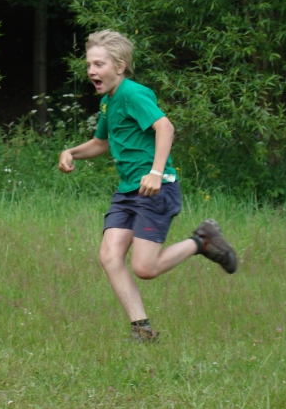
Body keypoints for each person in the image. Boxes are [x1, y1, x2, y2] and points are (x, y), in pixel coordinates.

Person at [58, 30, 238, 342]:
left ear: (120, 66)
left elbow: (164, 127)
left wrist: (156, 172)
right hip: (128, 190)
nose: (91, 71)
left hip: (155, 188)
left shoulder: (133, 94)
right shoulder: (108, 102)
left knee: (145, 268)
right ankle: (142, 330)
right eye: (89, 65)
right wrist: (71, 152)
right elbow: (101, 143)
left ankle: (202, 241)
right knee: (109, 255)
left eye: (99, 64)